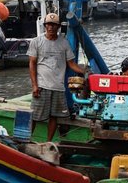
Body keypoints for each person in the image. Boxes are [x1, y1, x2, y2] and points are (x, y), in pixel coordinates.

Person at [27, 13, 85, 141]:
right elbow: (32, 63)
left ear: (58, 27)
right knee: (35, 116)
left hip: (58, 87)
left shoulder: (63, 43)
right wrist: (34, 85)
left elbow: (71, 63)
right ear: (45, 26)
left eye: (54, 25)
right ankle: (27, 139)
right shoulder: (36, 42)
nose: (51, 27)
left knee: (54, 117)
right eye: (49, 24)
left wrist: (84, 72)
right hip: (42, 86)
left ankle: (48, 142)